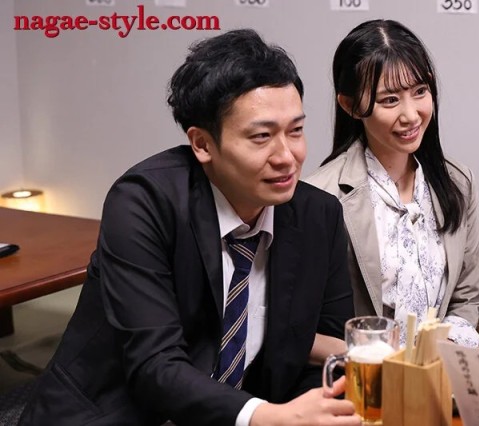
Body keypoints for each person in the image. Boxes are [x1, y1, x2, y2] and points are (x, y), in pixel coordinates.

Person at [19, 29, 360, 426]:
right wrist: (266, 416)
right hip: (118, 413)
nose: (287, 156)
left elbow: (324, 357)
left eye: (296, 130)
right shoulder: (145, 202)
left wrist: (306, 411)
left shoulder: (318, 215)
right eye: (261, 136)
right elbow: (154, 364)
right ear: (202, 144)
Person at [307, 19, 479, 348]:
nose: (411, 115)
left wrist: (441, 351)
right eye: (389, 100)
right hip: (362, 371)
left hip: (438, 367)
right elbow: (302, 326)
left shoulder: (458, 182)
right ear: (349, 105)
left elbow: (467, 297)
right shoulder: (321, 196)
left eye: (420, 92)